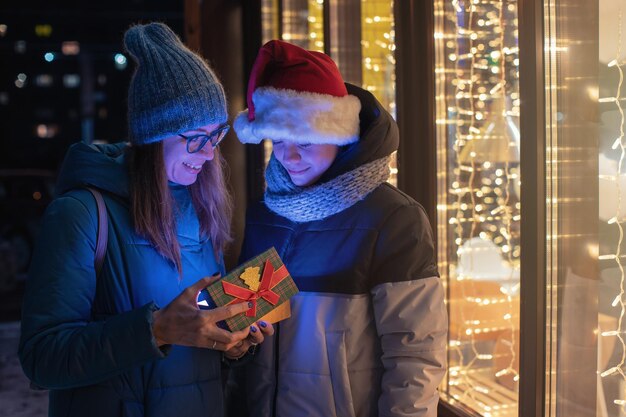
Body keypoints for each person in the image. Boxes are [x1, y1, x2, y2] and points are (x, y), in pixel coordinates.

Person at [18, 22, 272, 417]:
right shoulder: (81, 214)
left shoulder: (203, 213)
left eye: (217, 135)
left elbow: (199, 339)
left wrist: (233, 343)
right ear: (153, 134)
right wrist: (155, 329)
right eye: (194, 136)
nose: (208, 153)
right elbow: (42, 357)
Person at [228, 40, 448, 417]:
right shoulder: (266, 213)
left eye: (306, 141)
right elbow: (242, 323)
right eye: (279, 140)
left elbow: (415, 356)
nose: (289, 156)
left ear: (339, 134)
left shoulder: (391, 219)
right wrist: (233, 341)